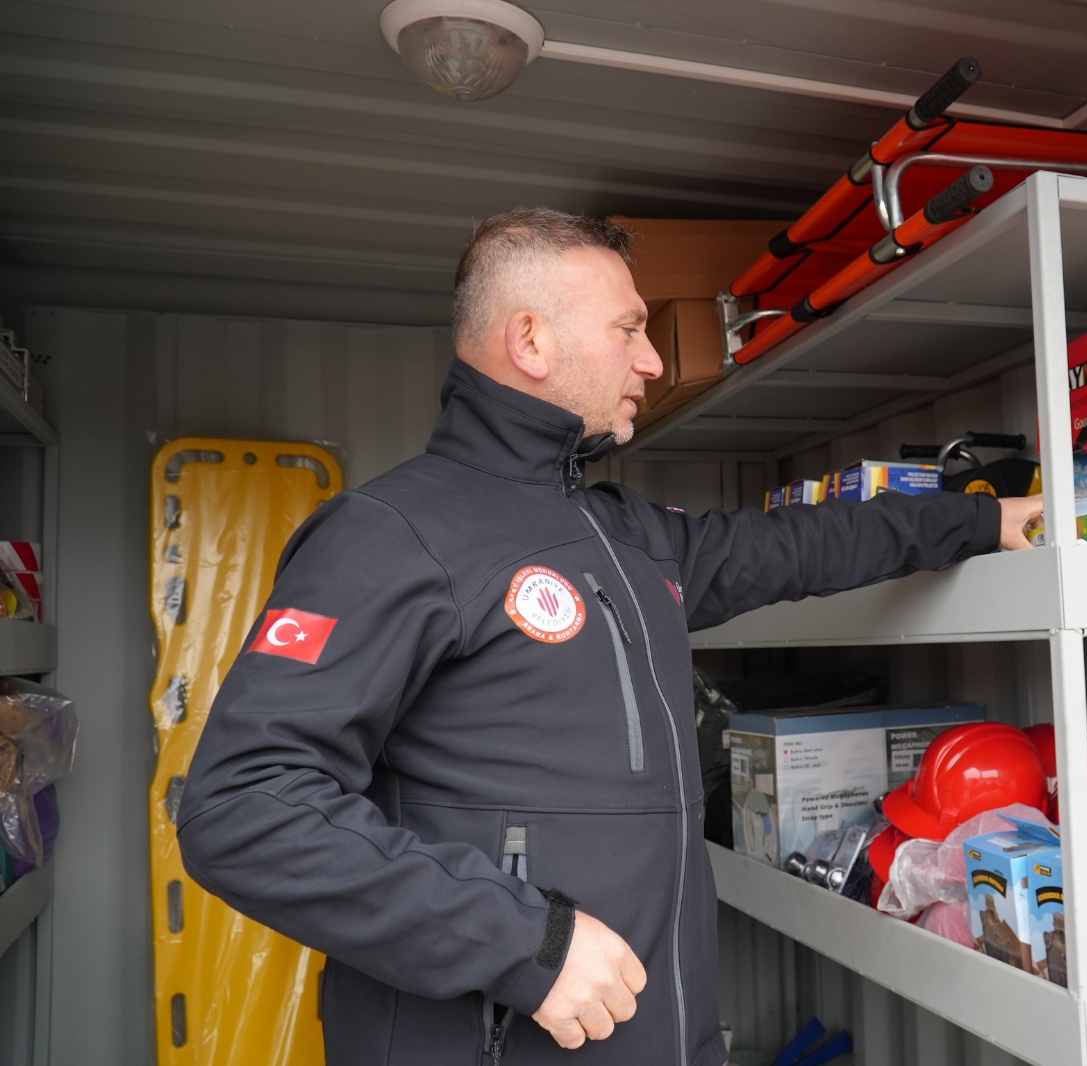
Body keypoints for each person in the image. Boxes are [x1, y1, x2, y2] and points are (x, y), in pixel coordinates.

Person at [178, 207, 1043, 1066]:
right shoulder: (391, 533)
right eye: (629, 327)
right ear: (531, 340)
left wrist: (981, 520)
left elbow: (792, 548)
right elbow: (244, 807)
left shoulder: (624, 535)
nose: (653, 359)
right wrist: (528, 944)